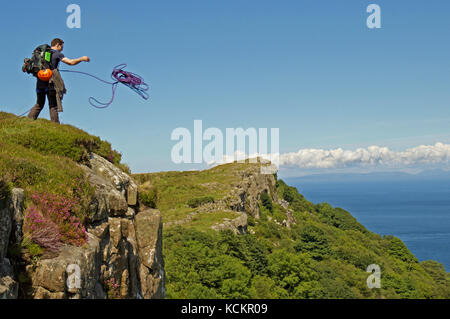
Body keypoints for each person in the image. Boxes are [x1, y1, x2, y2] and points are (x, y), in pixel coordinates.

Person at [27, 38, 90, 123]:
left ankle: (28, 121)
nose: (62, 49)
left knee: (39, 104)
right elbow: (70, 62)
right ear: (57, 45)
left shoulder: (44, 54)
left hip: (40, 80)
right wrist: (82, 58)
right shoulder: (57, 54)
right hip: (51, 82)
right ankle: (55, 126)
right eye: (62, 47)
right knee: (53, 106)